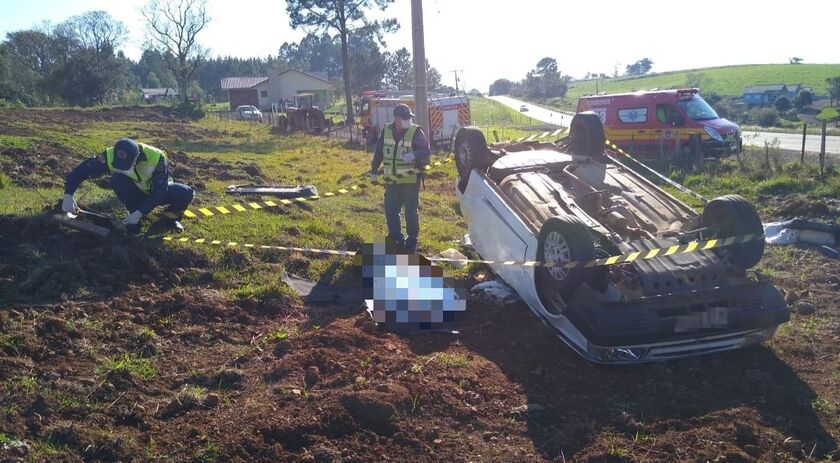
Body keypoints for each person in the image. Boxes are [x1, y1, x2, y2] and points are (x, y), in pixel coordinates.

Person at [61, 138, 194, 233]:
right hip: (135, 192)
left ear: (136, 157)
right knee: (118, 180)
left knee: (186, 192)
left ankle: (170, 220)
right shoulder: (109, 155)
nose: (124, 168)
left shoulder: (156, 158)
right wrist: (68, 195)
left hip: (157, 191)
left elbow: (160, 191)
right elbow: (81, 170)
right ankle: (134, 218)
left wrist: (140, 213)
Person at [370, 104, 431, 253]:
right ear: (397, 119)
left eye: (409, 118)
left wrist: (415, 155)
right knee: (391, 210)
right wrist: (373, 171)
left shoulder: (416, 132)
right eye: (405, 118)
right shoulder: (387, 131)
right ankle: (396, 238)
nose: (408, 120)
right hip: (391, 180)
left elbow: (426, 151)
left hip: (410, 181)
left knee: (410, 211)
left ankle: (411, 242)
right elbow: (379, 151)